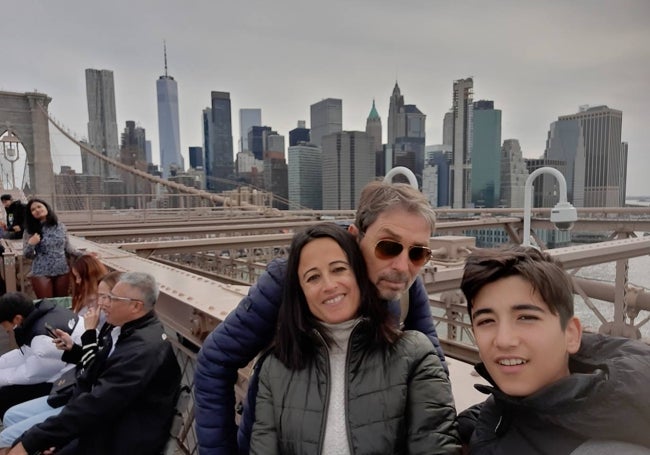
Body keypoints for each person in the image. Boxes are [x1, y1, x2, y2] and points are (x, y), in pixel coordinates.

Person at [195, 181, 447, 454]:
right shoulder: (287, 279)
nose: (402, 266)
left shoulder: (406, 288)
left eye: (418, 253)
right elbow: (215, 360)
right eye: (388, 247)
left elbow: (435, 368)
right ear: (356, 236)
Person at [248, 223, 460, 454]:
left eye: (339, 269)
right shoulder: (275, 369)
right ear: (300, 292)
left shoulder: (414, 355)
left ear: (360, 274)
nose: (329, 286)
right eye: (313, 278)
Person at [459, 246, 650, 454]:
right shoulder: (506, 411)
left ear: (571, 334)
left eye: (526, 318)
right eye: (486, 321)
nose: (504, 340)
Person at [8, 272, 182, 455]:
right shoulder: (121, 330)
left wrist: (35, 440)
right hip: (108, 423)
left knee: (14, 444)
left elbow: (98, 402)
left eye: (112, 298)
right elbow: (91, 383)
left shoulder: (142, 349)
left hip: (122, 437)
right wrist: (54, 438)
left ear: (136, 306)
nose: (103, 303)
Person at [0, 272, 122, 450]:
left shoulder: (40, 337)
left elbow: (32, 373)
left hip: (75, 395)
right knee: (11, 415)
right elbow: (93, 366)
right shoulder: (112, 330)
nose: (100, 303)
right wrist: (73, 347)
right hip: (76, 389)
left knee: (6, 408)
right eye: (100, 296)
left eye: (106, 297)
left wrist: (88, 334)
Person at [0, 293, 82, 419]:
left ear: (17, 318)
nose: (5, 329)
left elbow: (32, 373)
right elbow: (26, 354)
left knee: (5, 395)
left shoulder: (41, 338)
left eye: (4, 324)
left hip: (71, 380)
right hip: (70, 368)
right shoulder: (44, 314)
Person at [23, 199, 81, 299]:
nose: (37, 210)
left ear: (46, 207)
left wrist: (84, 254)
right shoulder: (29, 230)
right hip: (41, 272)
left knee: (62, 305)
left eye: (39, 206)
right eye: (33, 210)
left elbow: (68, 248)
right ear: (31, 214)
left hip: (62, 270)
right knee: (47, 305)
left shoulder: (60, 226)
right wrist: (31, 244)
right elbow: (27, 254)